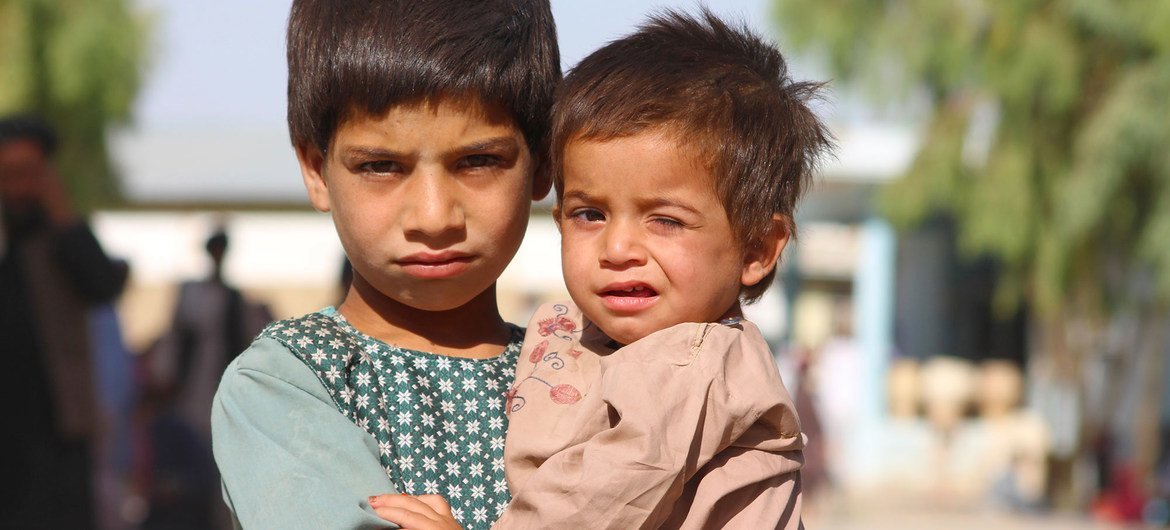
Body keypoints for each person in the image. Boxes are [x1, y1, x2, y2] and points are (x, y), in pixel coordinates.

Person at [372, 9, 833, 529]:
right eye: (590, 214)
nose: (617, 248)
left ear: (756, 249)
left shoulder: (701, 360)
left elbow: (605, 496)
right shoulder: (601, 339)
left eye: (665, 221)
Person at [209, 0, 561, 528]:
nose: (433, 216)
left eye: (479, 161)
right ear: (316, 170)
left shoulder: (578, 371)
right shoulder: (284, 383)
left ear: (542, 163)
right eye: (380, 166)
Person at [0, 114, 127, 528]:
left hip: (59, 432)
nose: (18, 186)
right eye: (8, 174)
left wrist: (65, 218)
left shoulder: (59, 238)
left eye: (28, 173)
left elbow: (103, 285)